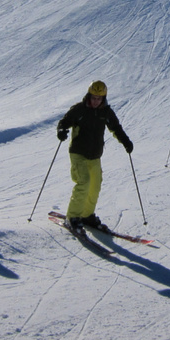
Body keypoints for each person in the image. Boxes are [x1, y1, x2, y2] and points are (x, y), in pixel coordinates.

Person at [57, 80, 133, 234]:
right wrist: (62, 130)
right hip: (78, 152)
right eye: (93, 97)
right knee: (83, 182)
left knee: (95, 186)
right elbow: (64, 122)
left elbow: (116, 128)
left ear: (103, 98)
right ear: (89, 95)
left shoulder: (106, 112)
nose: (95, 101)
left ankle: (86, 215)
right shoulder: (79, 109)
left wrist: (125, 141)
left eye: (99, 98)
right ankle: (72, 217)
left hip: (95, 155)